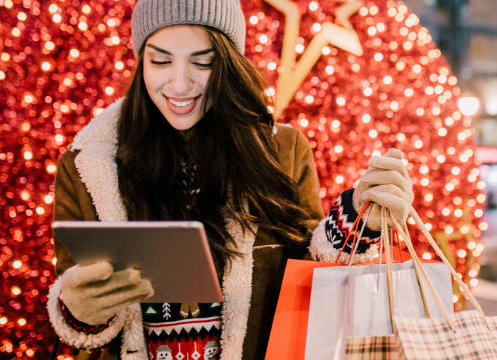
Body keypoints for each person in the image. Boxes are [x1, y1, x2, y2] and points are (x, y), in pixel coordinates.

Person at [46, 0, 414, 359]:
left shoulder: (281, 151)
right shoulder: (89, 167)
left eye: (202, 62)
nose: (179, 83)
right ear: (141, 63)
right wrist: (80, 310)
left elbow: (310, 272)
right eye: (160, 61)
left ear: (228, 64)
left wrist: (358, 218)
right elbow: (78, 318)